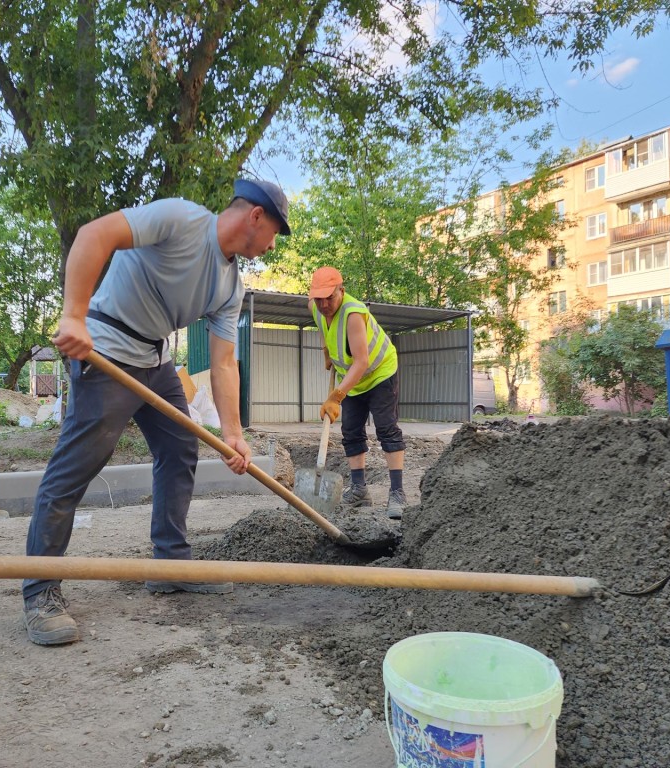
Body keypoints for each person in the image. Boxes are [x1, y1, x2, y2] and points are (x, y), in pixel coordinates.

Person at [22, 178, 291, 646]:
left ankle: (169, 562)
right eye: (275, 234)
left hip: (156, 360)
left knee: (179, 447)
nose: (271, 246)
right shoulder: (180, 219)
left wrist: (232, 433)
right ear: (256, 216)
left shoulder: (231, 287)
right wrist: (73, 316)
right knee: (77, 467)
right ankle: (41, 589)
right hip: (105, 348)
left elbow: (225, 362)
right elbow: (94, 235)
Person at [308, 267, 407, 520]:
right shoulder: (315, 306)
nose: (324, 304)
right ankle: (360, 490)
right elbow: (323, 326)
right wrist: (326, 350)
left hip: (379, 372)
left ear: (341, 290)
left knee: (386, 428)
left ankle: (397, 493)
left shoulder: (353, 313)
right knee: (351, 430)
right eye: (319, 298)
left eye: (329, 298)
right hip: (352, 378)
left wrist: (336, 396)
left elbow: (361, 362)